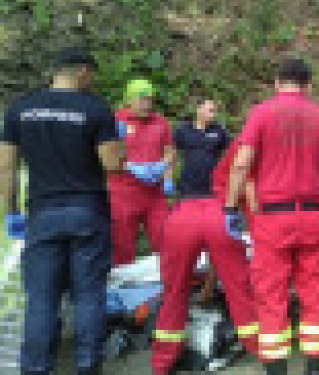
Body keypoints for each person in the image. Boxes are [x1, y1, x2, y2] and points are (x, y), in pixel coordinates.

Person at [0, 48, 124, 375]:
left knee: (41, 298)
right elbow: (112, 164)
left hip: (42, 214)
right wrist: (118, 144)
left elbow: (5, 167)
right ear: (82, 72)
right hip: (87, 212)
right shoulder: (95, 109)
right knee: (88, 295)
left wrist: (11, 211)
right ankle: (87, 366)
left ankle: (37, 368)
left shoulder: (20, 110)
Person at [226, 57, 319, 375]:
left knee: (271, 294)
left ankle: (277, 370)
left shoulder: (261, 114)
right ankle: (315, 367)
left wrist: (229, 207)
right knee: (313, 292)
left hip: (272, 219)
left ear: (277, 84)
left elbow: (240, 164)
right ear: (308, 86)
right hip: (312, 216)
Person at [150, 100, 261, 375]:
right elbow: (247, 184)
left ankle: (162, 361)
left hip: (183, 214)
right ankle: (259, 348)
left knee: (174, 291)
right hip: (219, 211)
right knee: (238, 287)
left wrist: (165, 180)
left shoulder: (223, 136)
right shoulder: (242, 149)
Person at [107, 78, 175, 265]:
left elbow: (169, 151)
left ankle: (166, 286)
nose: (147, 104)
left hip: (154, 193)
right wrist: (129, 167)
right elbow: (106, 155)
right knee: (122, 247)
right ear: (129, 100)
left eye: (150, 100)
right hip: (123, 194)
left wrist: (166, 173)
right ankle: (125, 290)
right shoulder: (115, 121)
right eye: (142, 99)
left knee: (166, 241)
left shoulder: (160, 122)